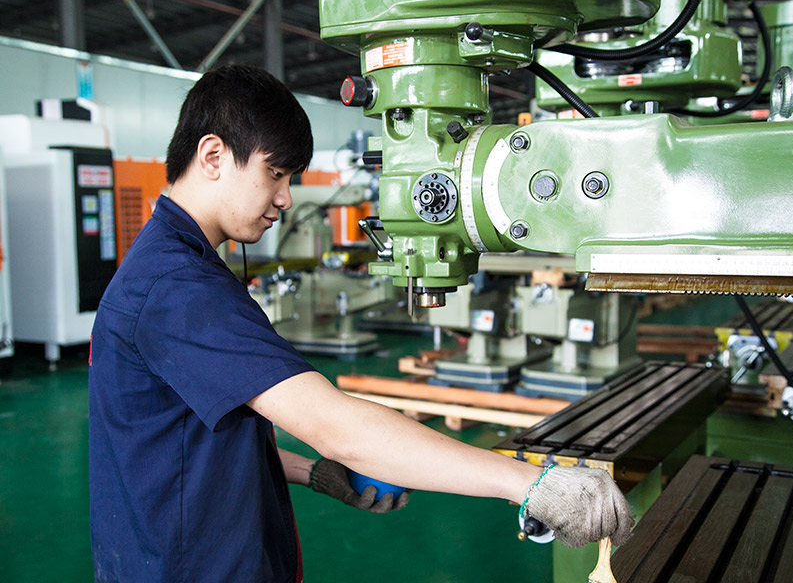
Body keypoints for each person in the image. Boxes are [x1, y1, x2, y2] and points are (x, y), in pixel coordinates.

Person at [88, 64, 633, 583]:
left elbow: (190, 444)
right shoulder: (176, 287)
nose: (285, 198)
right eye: (274, 173)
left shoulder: (172, 264)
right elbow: (336, 428)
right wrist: (531, 484)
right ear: (213, 156)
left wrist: (312, 472)